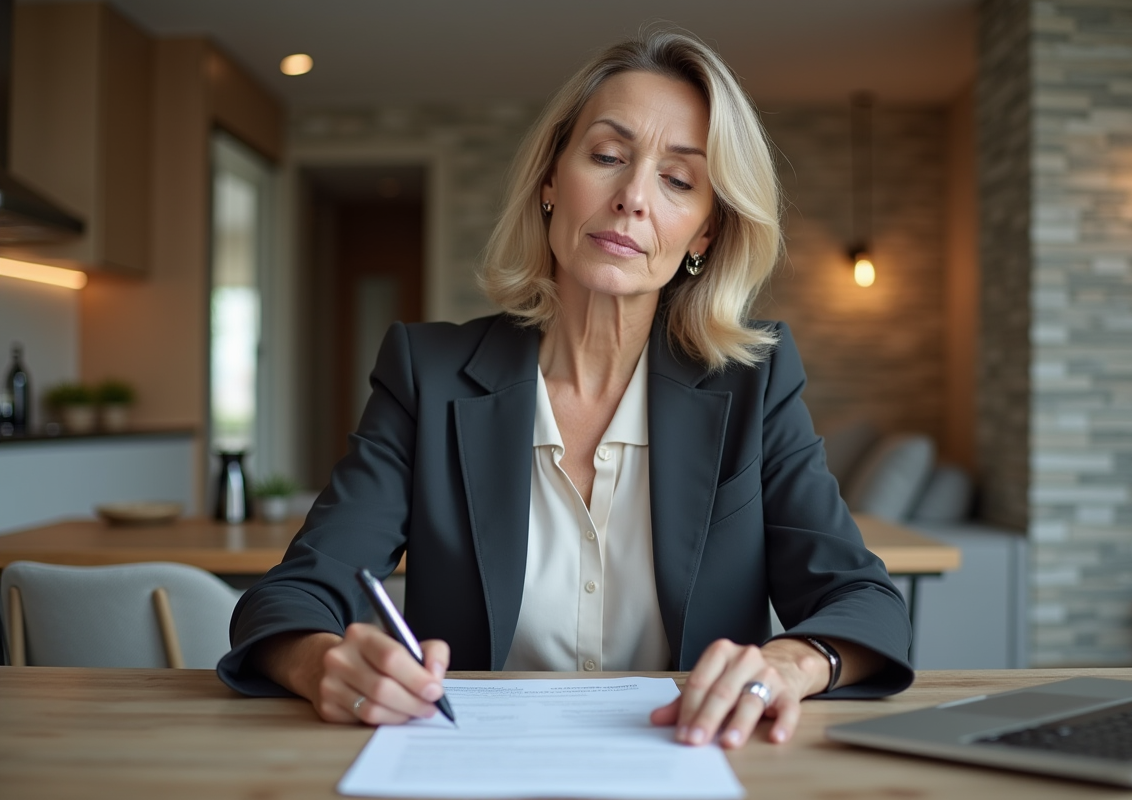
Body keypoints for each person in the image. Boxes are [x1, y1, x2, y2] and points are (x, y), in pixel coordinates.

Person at [218, 29, 913, 750]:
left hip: (690, 763)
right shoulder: (426, 374)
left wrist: (790, 662)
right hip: (467, 767)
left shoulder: (753, 386)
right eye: (608, 157)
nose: (633, 198)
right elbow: (291, 595)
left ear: (705, 233)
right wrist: (322, 661)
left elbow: (865, 603)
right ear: (552, 180)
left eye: (679, 180)